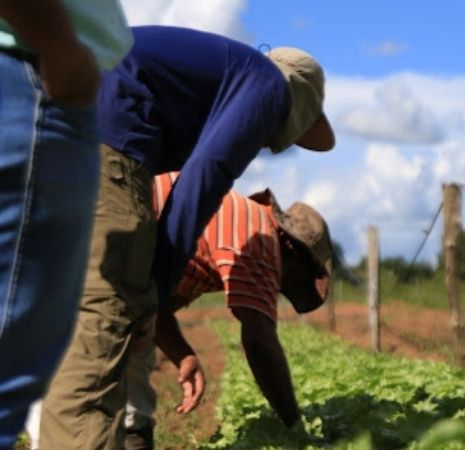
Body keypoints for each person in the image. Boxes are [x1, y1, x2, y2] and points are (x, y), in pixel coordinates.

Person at [39, 25, 335, 449]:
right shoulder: (270, 89)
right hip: (101, 142)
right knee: (102, 333)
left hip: (52, 125)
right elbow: (205, 179)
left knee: (76, 324)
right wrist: (295, 428)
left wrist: (163, 323)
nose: (276, 145)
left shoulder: (229, 77)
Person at [25, 173, 332, 450]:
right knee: (75, 374)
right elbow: (259, 343)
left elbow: (150, 299)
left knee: (130, 355)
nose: (283, 286)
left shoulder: (239, 224)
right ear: (295, 255)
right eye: (297, 279)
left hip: (108, 249)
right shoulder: (263, 242)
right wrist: (295, 428)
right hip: (89, 245)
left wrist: (183, 354)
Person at [0, 1, 132, 447]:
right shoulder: (262, 87)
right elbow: (206, 175)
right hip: (30, 69)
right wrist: (59, 45)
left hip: (36, 60)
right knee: (10, 358)